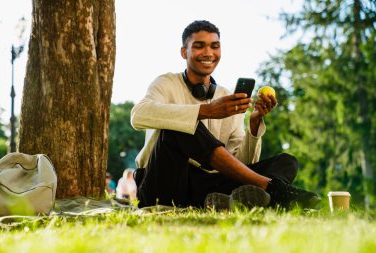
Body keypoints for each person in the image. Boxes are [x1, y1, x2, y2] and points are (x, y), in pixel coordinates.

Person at [131, 20, 320, 210]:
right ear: (184, 52)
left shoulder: (227, 98)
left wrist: (253, 125)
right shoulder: (165, 83)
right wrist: (206, 111)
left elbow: (242, 165)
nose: (208, 53)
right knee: (181, 127)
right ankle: (274, 191)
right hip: (162, 185)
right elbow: (138, 115)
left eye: (215, 46)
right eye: (199, 46)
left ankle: (231, 201)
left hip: (205, 188)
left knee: (286, 162)